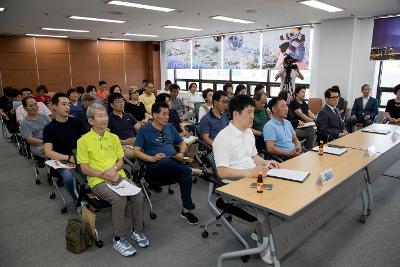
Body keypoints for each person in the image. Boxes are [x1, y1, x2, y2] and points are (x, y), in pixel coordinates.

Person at [77, 103, 148, 257]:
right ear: (91, 121)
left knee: (138, 194)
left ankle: (137, 230)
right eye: (100, 116)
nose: (104, 119)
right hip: (98, 181)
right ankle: (119, 238)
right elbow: (84, 169)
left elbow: (120, 161)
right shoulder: (83, 141)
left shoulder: (114, 137)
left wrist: (114, 170)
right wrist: (105, 174)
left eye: (105, 115)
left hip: (118, 175)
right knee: (119, 200)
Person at [132, 102, 200, 225]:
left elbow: (182, 143)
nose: (167, 117)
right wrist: (152, 158)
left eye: (168, 114)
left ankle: (186, 210)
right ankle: (192, 170)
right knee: (167, 160)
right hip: (155, 168)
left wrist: (181, 153)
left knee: (184, 172)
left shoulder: (169, 127)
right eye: (164, 114)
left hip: (174, 166)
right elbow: (136, 151)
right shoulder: (144, 130)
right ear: (154, 114)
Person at [213, 94, 279, 179]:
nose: (252, 116)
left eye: (253, 112)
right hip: (235, 183)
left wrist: (267, 163)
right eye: (249, 112)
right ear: (236, 114)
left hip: (252, 176)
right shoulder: (223, 138)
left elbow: (253, 156)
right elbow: (222, 172)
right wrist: (250, 172)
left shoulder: (248, 131)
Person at [43, 93, 86, 200]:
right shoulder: (49, 128)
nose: (67, 107)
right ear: (54, 107)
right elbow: (48, 152)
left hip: (80, 157)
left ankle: (91, 198)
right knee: (69, 178)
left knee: (92, 172)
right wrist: (68, 158)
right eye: (63, 104)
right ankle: (78, 200)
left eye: (69, 104)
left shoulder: (77, 122)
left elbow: (86, 141)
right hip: (62, 160)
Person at [108, 93, 141, 159]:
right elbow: (108, 137)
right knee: (136, 153)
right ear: (112, 105)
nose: (121, 104)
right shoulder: (108, 119)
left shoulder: (129, 116)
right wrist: (124, 142)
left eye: (122, 101)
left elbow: (140, 129)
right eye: (118, 102)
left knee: (151, 148)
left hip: (134, 142)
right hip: (121, 145)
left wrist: (138, 138)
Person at [288, 85, 316, 150]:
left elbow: (310, 112)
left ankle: (307, 148)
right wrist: (312, 121)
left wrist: (315, 119)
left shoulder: (304, 102)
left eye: (305, 92)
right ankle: (309, 149)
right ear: (297, 93)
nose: (304, 94)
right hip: (296, 126)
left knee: (312, 130)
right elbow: (301, 115)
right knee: (311, 132)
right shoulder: (294, 102)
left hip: (304, 126)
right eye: (302, 92)